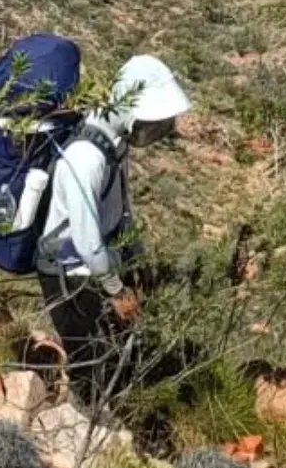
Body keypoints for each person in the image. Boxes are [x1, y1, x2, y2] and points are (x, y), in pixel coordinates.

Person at [33, 53, 191, 402]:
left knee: (109, 357)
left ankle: (105, 424)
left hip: (95, 268)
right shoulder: (86, 157)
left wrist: (137, 257)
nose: (153, 132)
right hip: (69, 272)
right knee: (89, 363)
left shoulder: (114, 145)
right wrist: (117, 290)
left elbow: (122, 208)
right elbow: (88, 241)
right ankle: (81, 430)